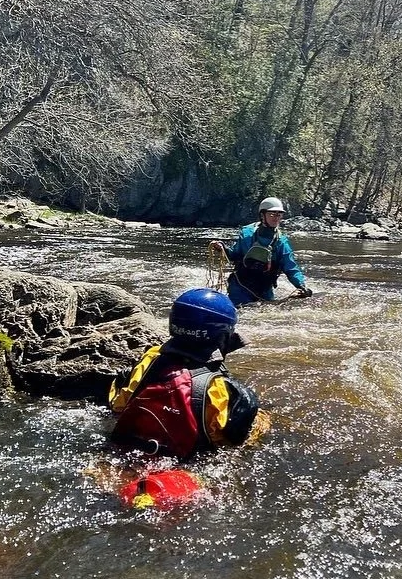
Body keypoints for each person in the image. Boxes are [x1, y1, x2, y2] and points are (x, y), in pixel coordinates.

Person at [102, 288, 262, 459]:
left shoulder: (151, 358)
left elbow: (119, 404)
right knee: (261, 420)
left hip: (125, 450)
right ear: (223, 335)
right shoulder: (218, 388)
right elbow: (229, 442)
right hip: (183, 466)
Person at [209, 196, 312, 306]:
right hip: (240, 286)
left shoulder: (282, 242)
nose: (276, 218)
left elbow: (291, 268)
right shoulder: (247, 234)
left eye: (279, 214)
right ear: (262, 215)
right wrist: (223, 249)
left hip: (264, 289)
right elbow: (234, 255)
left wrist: (301, 285)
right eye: (272, 214)